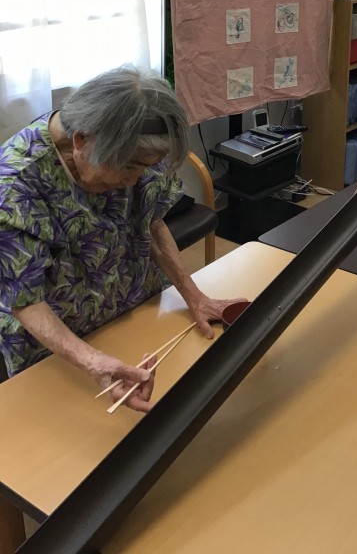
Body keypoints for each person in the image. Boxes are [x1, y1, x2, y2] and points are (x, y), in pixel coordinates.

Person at [0, 67, 242, 412]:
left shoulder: (137, 147)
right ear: (81, 141)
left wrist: (195, 297)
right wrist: (93, 362)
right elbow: (25, 300)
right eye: (129, 167)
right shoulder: (14, 186)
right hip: (58, 349)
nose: (134, 180)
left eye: (146, 167)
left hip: (133, 307)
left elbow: (151, 223)